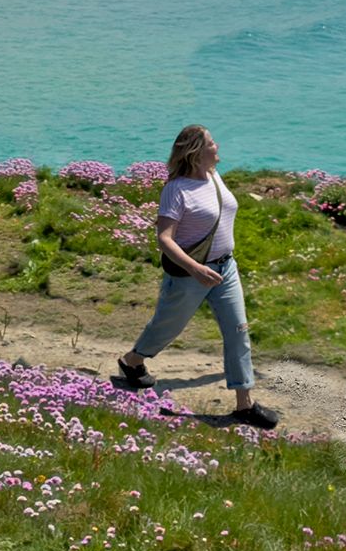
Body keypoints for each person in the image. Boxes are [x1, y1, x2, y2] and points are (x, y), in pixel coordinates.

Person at [116, 125, 276, 427]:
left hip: (226, 269)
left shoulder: (214, 176)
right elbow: (164, 238)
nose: (217, 146)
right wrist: (195, 268)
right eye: (212, 143)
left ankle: (245, 404)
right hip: (191, 274)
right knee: (167, 327)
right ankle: (133, 361)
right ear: (196, 151)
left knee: (238, 331)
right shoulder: (176, 189)